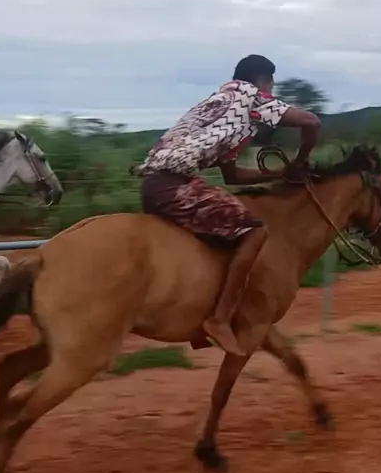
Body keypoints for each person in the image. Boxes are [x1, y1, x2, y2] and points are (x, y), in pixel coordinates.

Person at [133, 54, 321, 355]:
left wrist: (279, 173)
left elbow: (233, 176)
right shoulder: (250, 96)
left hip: (154, 186)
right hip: (174, 186)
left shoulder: (218, 104)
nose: (271, 92)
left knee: (218, 233)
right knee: (255, 232)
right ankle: (219, 319)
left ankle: (195, 313)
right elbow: (311, 122)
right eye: (271, 85)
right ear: (263, 80)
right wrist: (300, 161)